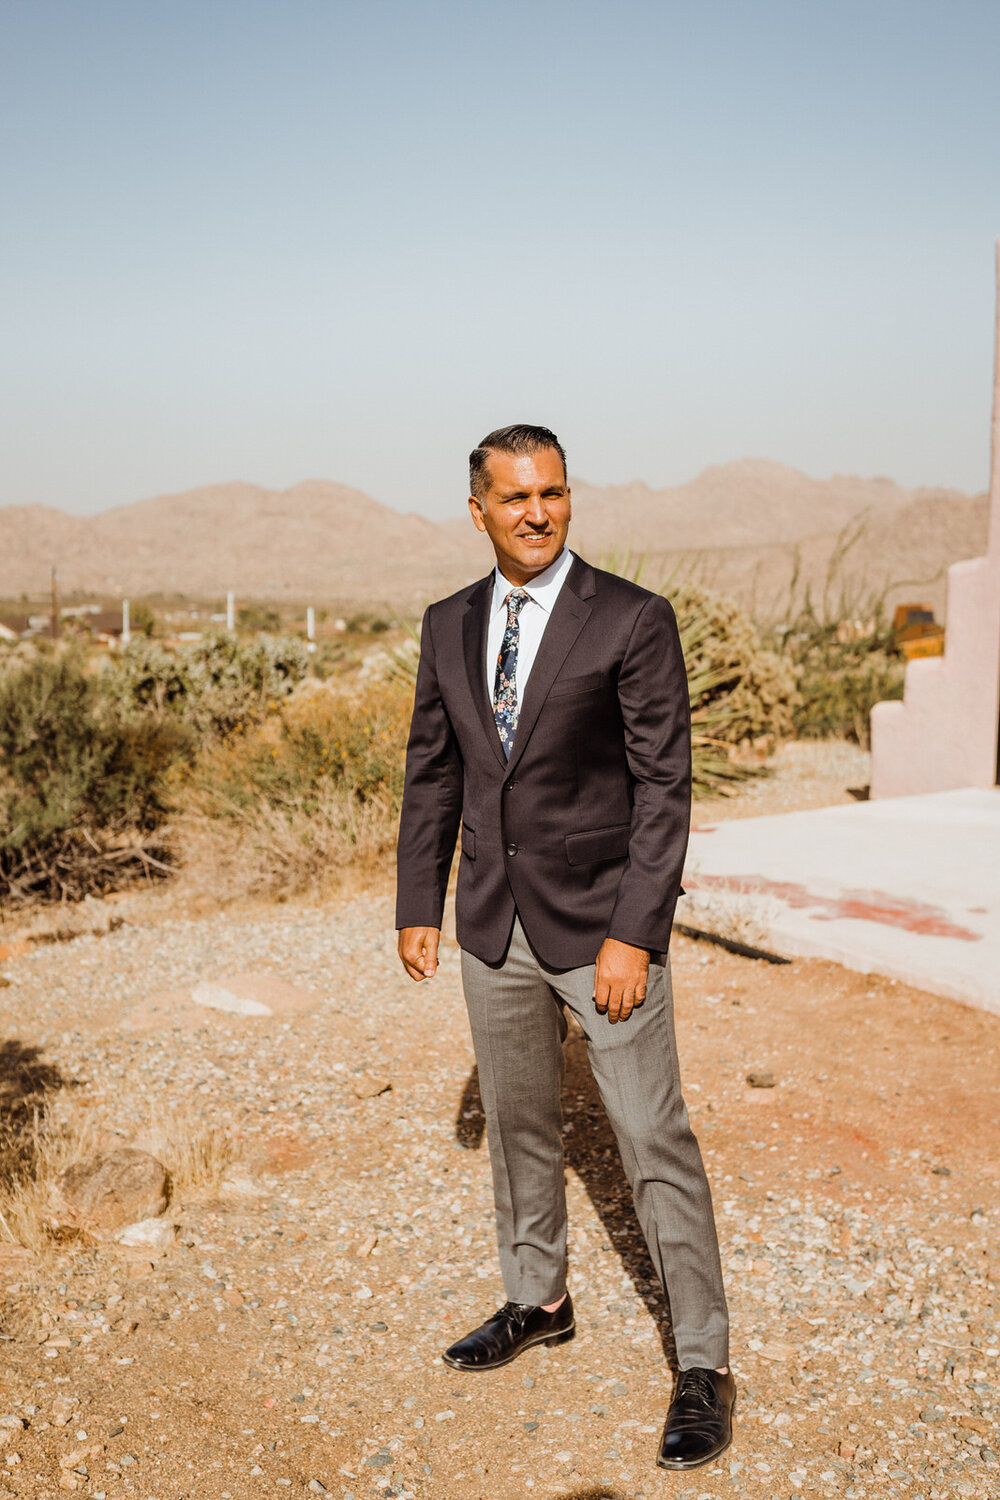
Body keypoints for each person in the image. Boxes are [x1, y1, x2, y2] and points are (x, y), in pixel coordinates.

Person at [395, 424, 734, 1472]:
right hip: (492, 923)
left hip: (600, 929)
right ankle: (536, 1298)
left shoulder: (631, 617)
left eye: (552, 493)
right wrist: (420, 901)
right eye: (514, 497)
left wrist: (637, 931)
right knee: (519, 1125)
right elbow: (434, 772)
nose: (536, 513)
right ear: (478, 510)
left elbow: (662, 788)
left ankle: (704, 1364)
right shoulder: (447, 623)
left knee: (650, 1139)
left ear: (569, 498)